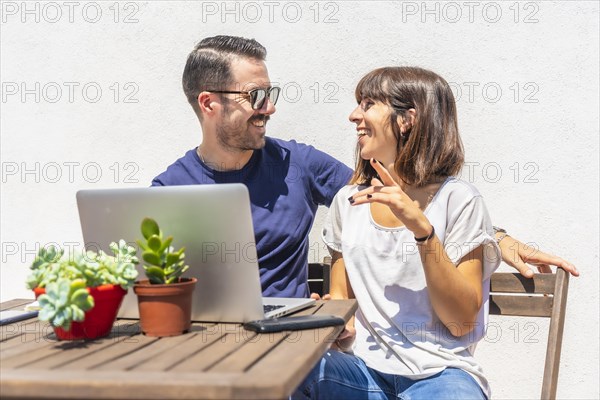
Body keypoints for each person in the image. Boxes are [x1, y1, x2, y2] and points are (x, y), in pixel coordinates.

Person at [151, 35, 578, 299]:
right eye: (257, 97)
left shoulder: (296, 164)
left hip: (283, 341)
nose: (271, 108)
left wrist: (496, 238)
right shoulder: (168, 189)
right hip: (203, 342)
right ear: (209, 103)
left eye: (271, 93)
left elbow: (401, 194)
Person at [294, 66, 499, 399]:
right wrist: (332, 321)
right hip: (360, 371)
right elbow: (343, 303)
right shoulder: (348, 201)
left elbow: (460, 323)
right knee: (293, 369)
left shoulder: (457, 200)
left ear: (407, 120)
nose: (353, 116)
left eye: (368, 103)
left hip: (438, 374)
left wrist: (422, 230)